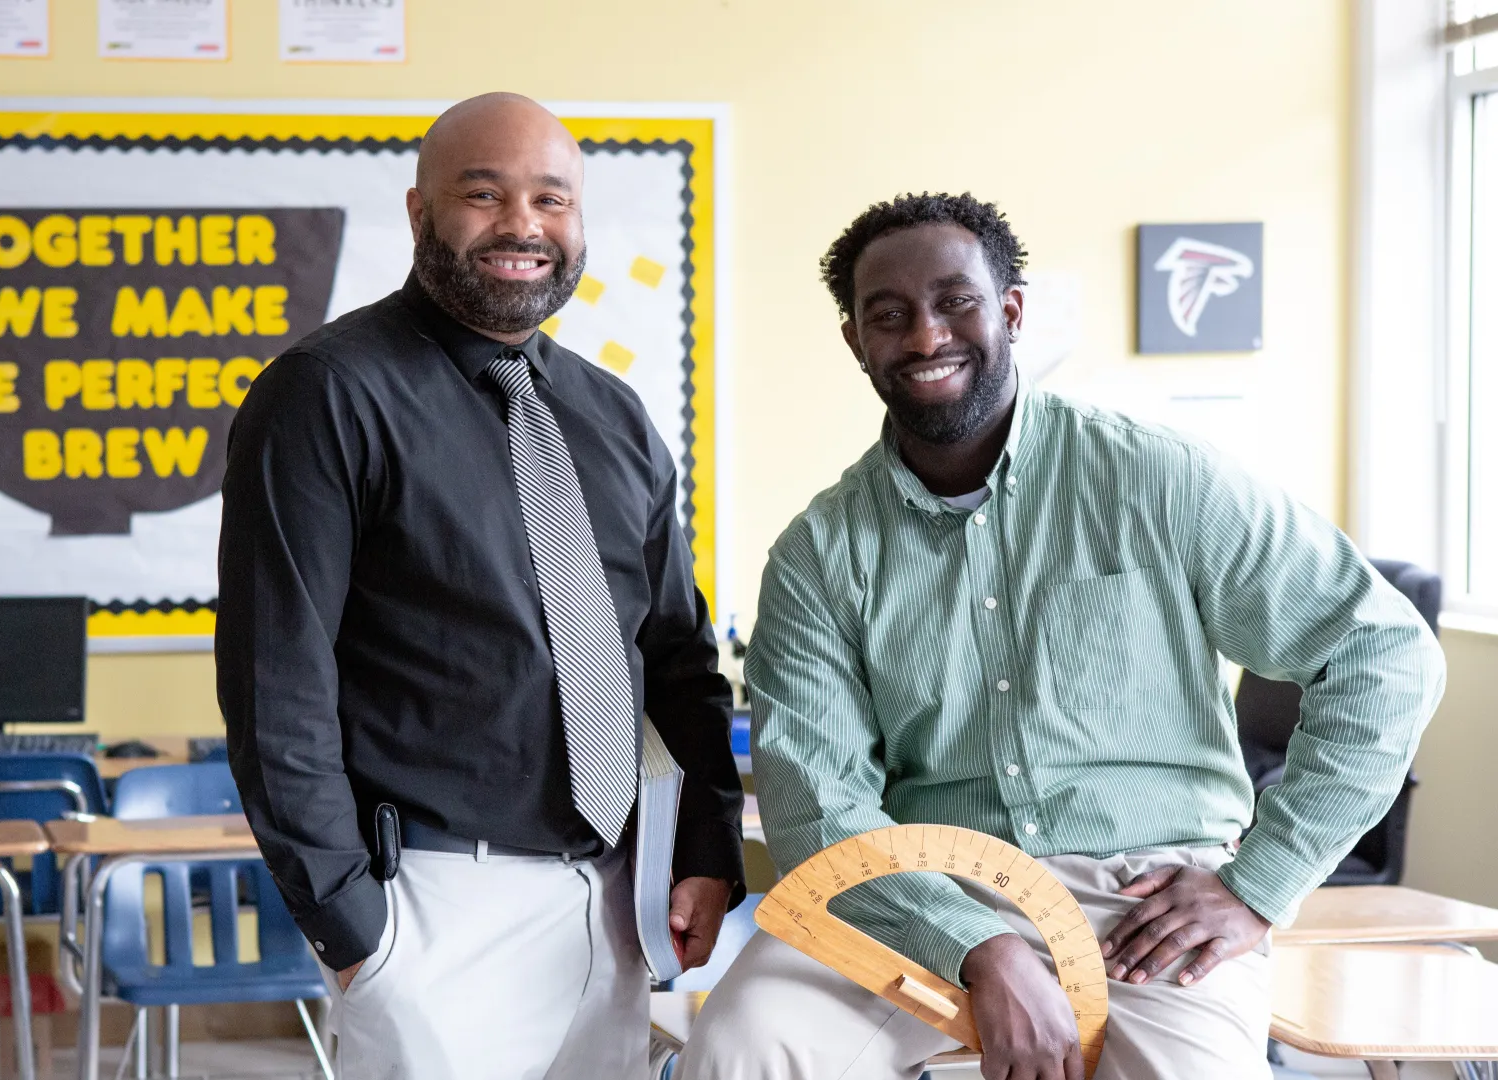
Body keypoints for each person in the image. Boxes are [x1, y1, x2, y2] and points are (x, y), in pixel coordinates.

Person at [675, 192, 1446, 1080]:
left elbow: (1382, 652)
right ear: (857, 341)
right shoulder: (819, 554)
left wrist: (1258, 887)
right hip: (917, 893)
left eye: (956, 302)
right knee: (742, 1046)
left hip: (1147, 899)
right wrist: (979, 946)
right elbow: (819, 810)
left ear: (1010, 309)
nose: (926, 338)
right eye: (889, 316)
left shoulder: (1160, 480)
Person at [216, 93, 743, 1080]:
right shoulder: (324, 395)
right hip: (432, 907)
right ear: (419, 212)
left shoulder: (614, 416)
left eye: (553, 198)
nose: (523, 225)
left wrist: (709, 843)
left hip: (611, 901)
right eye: (484, 194)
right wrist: (356, 931)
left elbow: (677, 656)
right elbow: (273, 683)